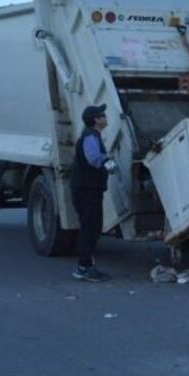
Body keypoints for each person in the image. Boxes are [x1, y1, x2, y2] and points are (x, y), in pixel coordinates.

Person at [70, 104, 117, 282]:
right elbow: (93, 158)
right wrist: (109, 162)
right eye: (102, 114)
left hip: (86, 190)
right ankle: (84, 268)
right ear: (96, 120)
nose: (105, 117)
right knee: (91, 228)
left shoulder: (92, 135)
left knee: (91, 228)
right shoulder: (91, 136)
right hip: (87, 191)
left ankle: (87, 265)